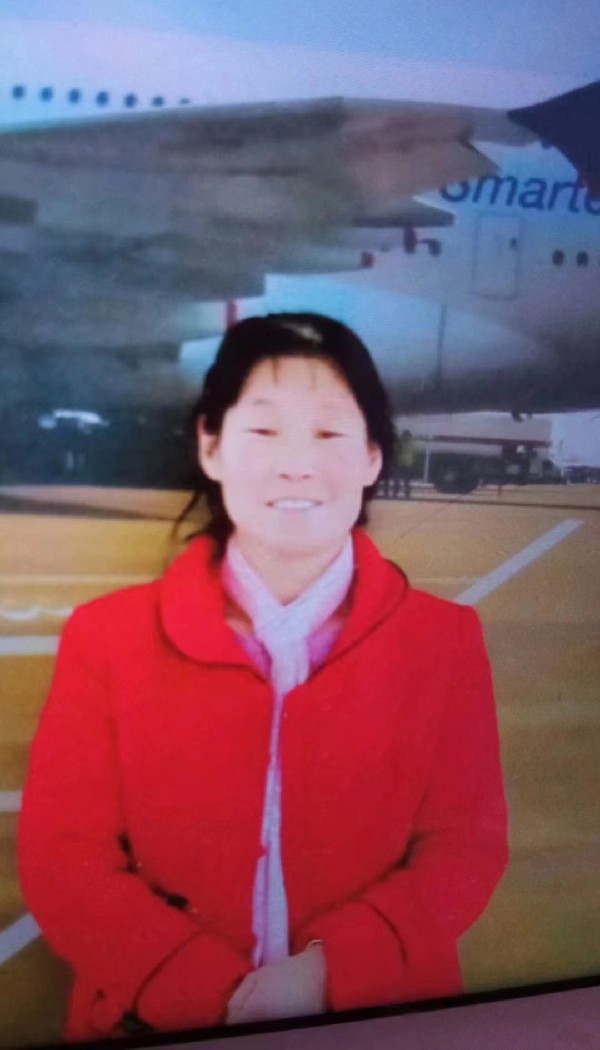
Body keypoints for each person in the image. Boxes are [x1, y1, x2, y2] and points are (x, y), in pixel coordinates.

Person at [19, 313, 508, 1041]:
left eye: (329, 432)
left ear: (373, 456)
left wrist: (328, 976)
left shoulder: (443, 640)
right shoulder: (108, 637)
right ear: (211, 447)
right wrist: (210, 996)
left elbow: (465, 849)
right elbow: (64, 858)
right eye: (265, 430)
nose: (296, 464)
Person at [394, 428, 417, 499]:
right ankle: (407, 494)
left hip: (401, 462)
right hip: (407, 463)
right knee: (406, 480)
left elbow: (396, 450)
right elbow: (414, 452)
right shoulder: (412, 442)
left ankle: (396, 493)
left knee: (399, 479)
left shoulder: (401, 442)